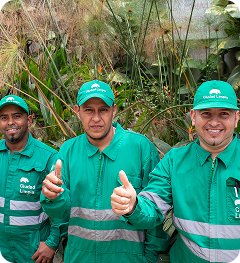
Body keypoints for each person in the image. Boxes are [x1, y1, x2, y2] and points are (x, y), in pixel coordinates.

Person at [40, 79, 169, 263]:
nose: (96, 118)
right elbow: (62, 211)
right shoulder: (68, 150)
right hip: (79, 257)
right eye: (88, 110)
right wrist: (52, 196)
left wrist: (149, 257)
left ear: (114, 110)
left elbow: (155, 214)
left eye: (103, 110)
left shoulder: (141, 147)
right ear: (77, 111)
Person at [111, 80, 240, 263]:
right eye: (206, 113)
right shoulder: (175, 161)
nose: (214, 121)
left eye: (224, 114)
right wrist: (133, 206)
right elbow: (153, 207)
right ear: (193, 117)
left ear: (236, 117)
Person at [0, 95, 68, 263]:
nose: (10, 122)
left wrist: (52, 244)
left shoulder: (48, 157)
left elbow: (61, 205)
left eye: (17, 116)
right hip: (2, 249)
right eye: (4, 118)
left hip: (34, 251)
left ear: (29, 120)